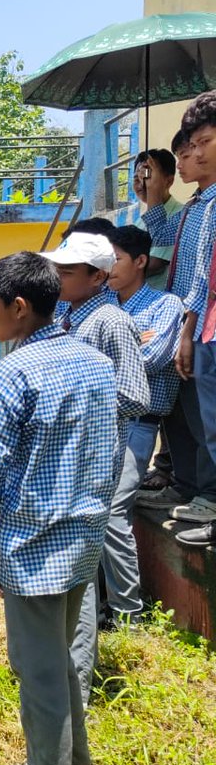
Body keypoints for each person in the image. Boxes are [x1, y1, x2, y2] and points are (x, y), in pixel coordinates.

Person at [0, 252, 112, 765]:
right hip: (84, 540)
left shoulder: (16, 369)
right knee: (59, 661)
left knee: (40, 678)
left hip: (33, 545)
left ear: (19, 308)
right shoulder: (94, 361)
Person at [39, 231, 150, 705]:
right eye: (57, 270)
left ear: (98, 276)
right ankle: (62, 669)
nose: (58, 278)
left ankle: (77, 683)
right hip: (65, 462)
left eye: (67, 272)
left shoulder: (109, 322)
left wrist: (75, 403)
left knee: (79, 571)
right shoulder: (66, 317)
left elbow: (134, 394)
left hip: (91, 461)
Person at [100, 226, 182, 623]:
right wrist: (132, 339)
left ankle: (128, 612)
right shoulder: (101, 303)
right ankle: (102, 602)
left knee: (114, 511)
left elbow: (153, 358)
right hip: (99, 422)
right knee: (97, 510)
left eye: (115, 258)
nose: (108, 267)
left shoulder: (166, 305)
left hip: (137, 423)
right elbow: (82, 352)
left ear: (140, 262)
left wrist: (114, 347)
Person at [139, 128, 216, 512]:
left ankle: (207, 493)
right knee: (181, 412)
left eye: (193, 150)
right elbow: (162, 234)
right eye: (185, 152)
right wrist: (151, 194)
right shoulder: (193, 205)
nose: (189, 158)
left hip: (199, 323)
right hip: (185, 322)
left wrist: (188, 328)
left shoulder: (211, 206)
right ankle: (186, 484)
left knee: (205, 419)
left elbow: (203, 276)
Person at [173, 91, 216, 546]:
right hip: (201, 323)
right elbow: (201, 278)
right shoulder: (198, 207)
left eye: (203, 142)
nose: (196, 153)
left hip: (205, 326)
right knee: (199, 420)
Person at [133, 147, 182, 290]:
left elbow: (157, 263)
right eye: (137, 179)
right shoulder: (141, 220)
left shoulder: (180, 213)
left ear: (169, 181)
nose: (142, 185)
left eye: (147, 178)